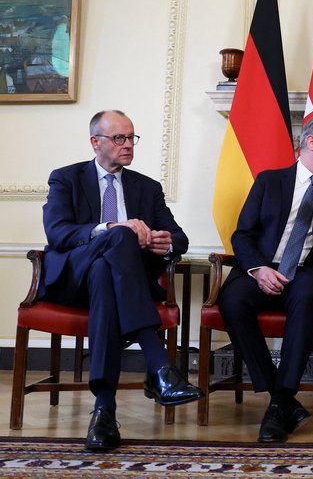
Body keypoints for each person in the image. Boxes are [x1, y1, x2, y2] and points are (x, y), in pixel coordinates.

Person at [41, 110, 204, 452]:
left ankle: (104, 411)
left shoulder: (147, 187)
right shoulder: (66, 178)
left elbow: (180, 237)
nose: (128, 145)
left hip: (112, 284)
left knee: (105, 271)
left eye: (131, 138)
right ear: (95, 142)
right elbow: (57, 233)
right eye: (119, 138)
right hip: (73, 280)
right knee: (119, 237)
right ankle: (160, 368)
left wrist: (166, 242)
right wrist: (113, 229)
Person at [219, 114, 313, 443]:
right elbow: (243, 235)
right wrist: (257, 268)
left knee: (305, 295)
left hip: (310, 271)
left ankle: (281, 401)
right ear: (312, 142)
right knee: (232, 300)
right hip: (264, 267)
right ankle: (281, 398)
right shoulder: (270, 181)